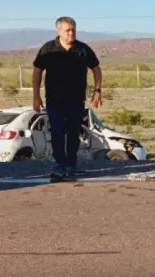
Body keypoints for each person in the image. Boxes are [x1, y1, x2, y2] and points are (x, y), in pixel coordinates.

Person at [32, 16, 103, 181]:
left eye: (73, 30)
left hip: (76, 99)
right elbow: (37, 71)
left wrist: (97, 90)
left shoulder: (83, 49)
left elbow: (96, 68)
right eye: (68, 30)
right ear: (59, 31)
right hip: (54, 99)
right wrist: (36, 95)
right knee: (57, 131)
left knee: (73, 132)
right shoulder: (48, 49)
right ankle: (60, 164)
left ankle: (71, 165)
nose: (71, 33)